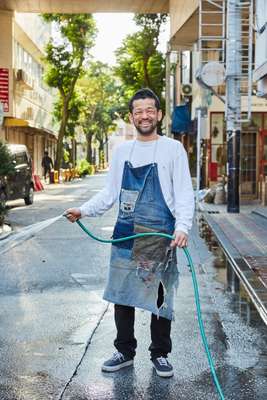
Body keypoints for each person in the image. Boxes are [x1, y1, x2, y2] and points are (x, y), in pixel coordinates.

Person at [65, 88, 194, 378]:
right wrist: (83, 210)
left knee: (160, 297)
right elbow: (109, 193)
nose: (144, 115)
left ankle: (160, 353)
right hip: (125, 233)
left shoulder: (173, 149)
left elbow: (184, 193)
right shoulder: (123, 151)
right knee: (123, 294)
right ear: (132, 116)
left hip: (160, 235)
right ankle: (124, 350)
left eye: (150, 110)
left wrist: (182, 227)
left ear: (159, 115)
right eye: (138, 111)